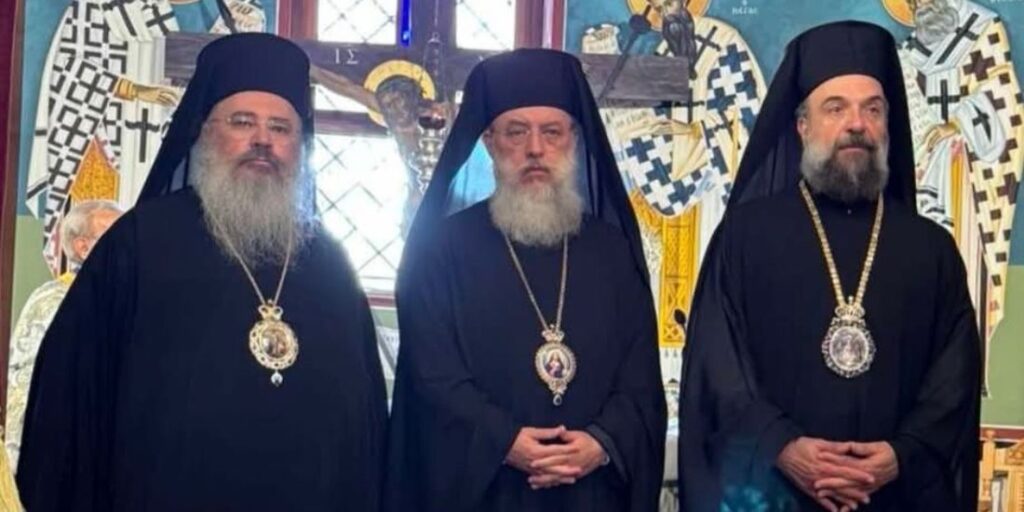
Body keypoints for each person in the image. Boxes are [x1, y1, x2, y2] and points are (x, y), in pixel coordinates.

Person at [16, 33, 387, 512]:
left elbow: (366, 421)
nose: (262, 140)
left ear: (300, 145)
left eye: (281, 127)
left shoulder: (329, 264)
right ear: (204, 133)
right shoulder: (138, 244)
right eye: (242, 122)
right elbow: (70, 399)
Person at [679, 21, 981, 512]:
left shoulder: (932, 250)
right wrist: (781, 444)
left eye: (872, 109)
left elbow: (955, 380)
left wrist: (899, 455)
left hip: (895, 498)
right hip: (772, 495)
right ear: (802, 126)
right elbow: (718, 365)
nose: (856, 124)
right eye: (835, 108)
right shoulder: (744, 237)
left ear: (888, 125)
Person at [384, 49, 667, 512]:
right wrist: (504, 440)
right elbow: (431, 376)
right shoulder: (441, 250)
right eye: (516, 132)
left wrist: (602, 441)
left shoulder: (612, 252)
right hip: (485, 493)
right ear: (489, 142)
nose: (535, 149)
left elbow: (640, 379)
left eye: (551, 132)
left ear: (573, 141)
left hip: (592, 494)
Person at [6, 200, 123, 469]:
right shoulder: (53, 302)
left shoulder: (114, 298)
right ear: (83, 247)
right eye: (116, 236)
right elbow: (25, 388)